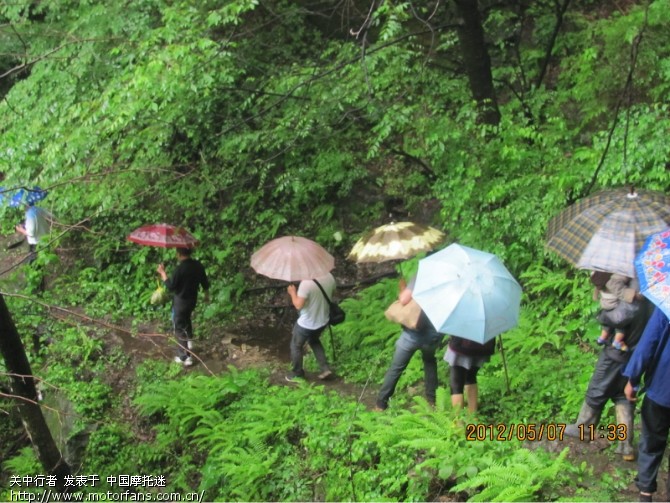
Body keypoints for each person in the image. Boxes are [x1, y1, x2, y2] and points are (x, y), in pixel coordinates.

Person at [564, 296, 654, 461]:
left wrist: (604, 313)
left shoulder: (634, 290)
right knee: (623, 396)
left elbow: (619, 316)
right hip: (633, 355)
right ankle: (625, 445)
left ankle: (583, 429)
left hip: (615, 354)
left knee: (597, 389)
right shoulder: (655, 296)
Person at [623, 307, 670, 502]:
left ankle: (645, 494)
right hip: (661, 390)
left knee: (651, 442)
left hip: (661, 388)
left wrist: (633, 380)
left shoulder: (666, 304)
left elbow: (648, 343)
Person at [375, 276, 444, 410]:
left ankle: (381, 404)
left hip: (412, 334)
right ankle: (432, 400)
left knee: (396, 367)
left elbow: (404, 299)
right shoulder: (450, 279)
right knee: (429, 362)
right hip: (434, 333)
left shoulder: (421, 275)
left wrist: (402, 288)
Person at [157, 247, 209, 366]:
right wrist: (206, 295)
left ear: (178, 254)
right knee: (186, 319)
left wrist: (162, 273)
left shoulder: (180, 269)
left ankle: (185, 357)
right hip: (192, 301)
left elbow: (170, 286)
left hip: (180, 303)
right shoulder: (197, 265)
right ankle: (189, 343)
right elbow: (204, 282)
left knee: (179, 327)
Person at [285, 272, 336, 381]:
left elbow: (298, 305)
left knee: (296, 346)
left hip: (306, 323)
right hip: (322, 320)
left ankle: (297, 373)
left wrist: (293, 293)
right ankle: (325, 368)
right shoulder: (329, 276)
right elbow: (333, 292)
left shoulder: (306, 283)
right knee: (314, 340)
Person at [592, 271, 641, 352]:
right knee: (621, 325)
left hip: (604, 305)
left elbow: (595, 295)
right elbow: (622, 292)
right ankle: (617, 341)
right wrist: (636, 295)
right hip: (614, 306)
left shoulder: (599, 280)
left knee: (607, 325)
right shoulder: (612, 282)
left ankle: (602, 338)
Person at [445, 336, 495, 412]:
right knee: (471, 377)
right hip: (483, 345)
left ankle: (458, 422)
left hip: (461, 345)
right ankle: (472, 418)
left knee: (456, 384)